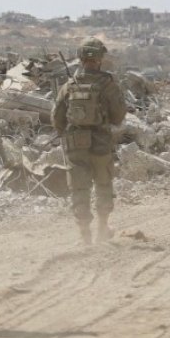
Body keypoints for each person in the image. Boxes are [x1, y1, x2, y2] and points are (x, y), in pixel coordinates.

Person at [55, 38, 127, 242]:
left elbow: (57, 118)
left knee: (79, 187)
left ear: (80, 58)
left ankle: (84, 233)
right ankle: (102, 228)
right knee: (103, 183)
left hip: (75, 144)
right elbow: (119, 116)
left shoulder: (69, 85)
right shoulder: (108, 84)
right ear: (100, 58)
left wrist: (67, 133)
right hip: (101, 142)